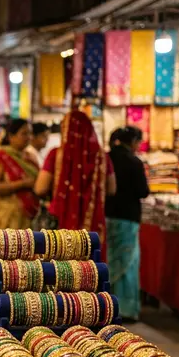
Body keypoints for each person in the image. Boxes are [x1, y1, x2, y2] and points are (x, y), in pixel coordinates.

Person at [34, 111, 116, 241]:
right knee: (89, 257)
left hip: (61, 221)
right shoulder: (102, 157)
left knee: (60, 257)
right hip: (92, 221)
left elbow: (40, 188)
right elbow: (112, 189)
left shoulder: (56, 155)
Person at [105, 126, 149, 321]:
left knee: (109, 257)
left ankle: (106, 306)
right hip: (128, 217)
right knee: (128, 262)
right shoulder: (134, 162)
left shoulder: (106, 158)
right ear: (132, 142)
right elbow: (143, 191)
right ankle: (126, 308)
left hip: (107, 215)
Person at [0, 119, 39, 230]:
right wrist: (23, 184)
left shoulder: (30, 157)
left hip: (27, 218)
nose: (29, 137)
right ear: (11, 136)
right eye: (24, 133)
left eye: (30, 133)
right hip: (5, 219)